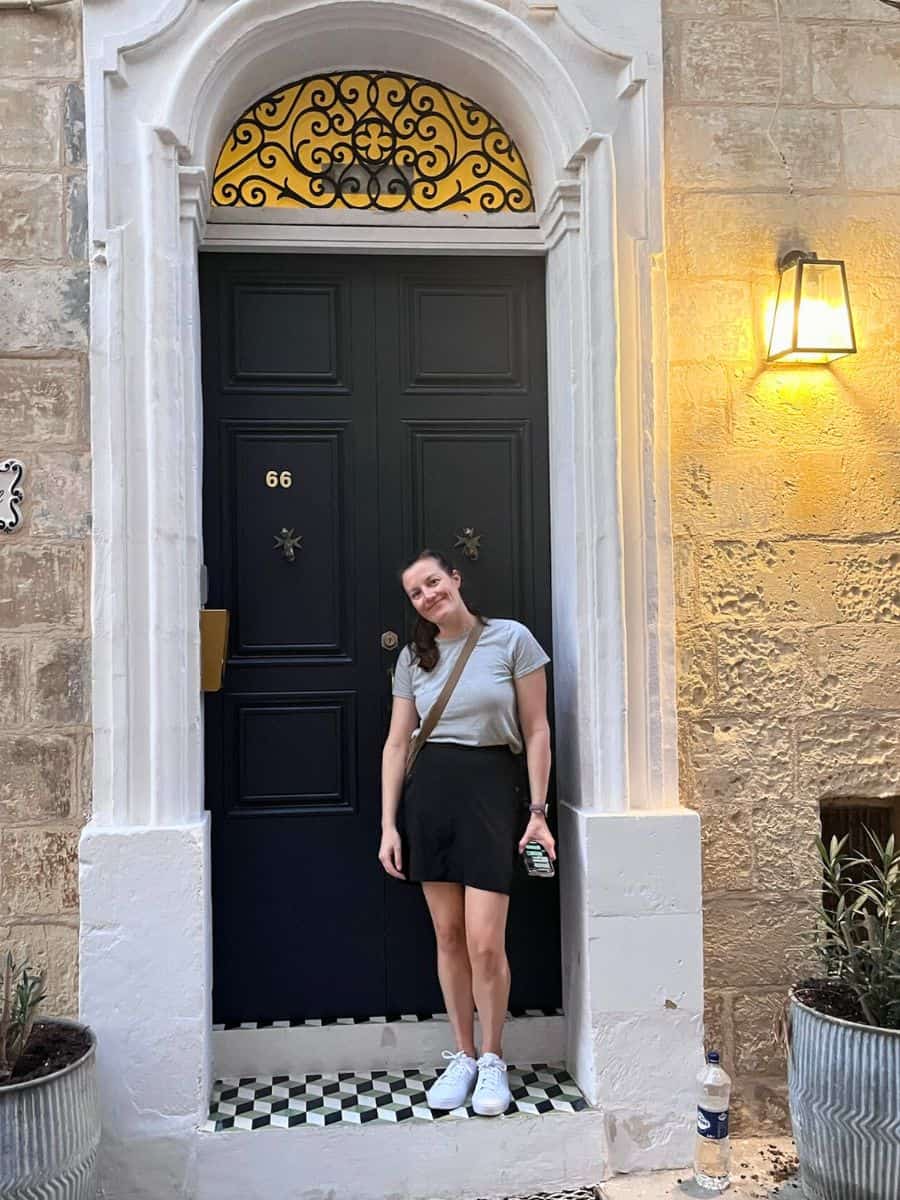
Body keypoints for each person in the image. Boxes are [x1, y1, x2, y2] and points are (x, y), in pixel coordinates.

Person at [378, 549, 556, 1117]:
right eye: (415, 593)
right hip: (429, 799)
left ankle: (493, 1058)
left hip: (490, 794)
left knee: (485, 941)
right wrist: (388, 824)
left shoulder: (511, 639)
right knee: (449, 936)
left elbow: (536, 729)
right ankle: (461, 1054)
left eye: (433, 582)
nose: (428, 595)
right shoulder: (412, 657)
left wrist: (538, 811)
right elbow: (396, 743)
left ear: (454, 580)